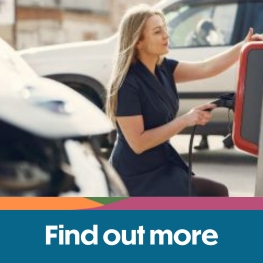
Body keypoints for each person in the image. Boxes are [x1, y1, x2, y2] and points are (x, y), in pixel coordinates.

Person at [106, 4, 262, 196]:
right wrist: (187, 119)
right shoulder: (126, 84)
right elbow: (138, 144)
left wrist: (243, 47)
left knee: (216, 192)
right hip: (134, 176)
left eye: (164, 28)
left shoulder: (164, 68)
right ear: (138, 41)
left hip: (162, 164)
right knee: (214, 194)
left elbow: (207, 68)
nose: (166, 35)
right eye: (157, 32)